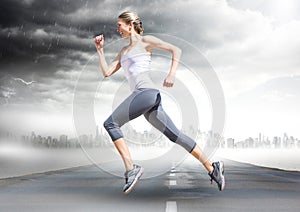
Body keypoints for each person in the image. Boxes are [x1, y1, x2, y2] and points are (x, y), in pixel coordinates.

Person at [94, 11, 225, 194]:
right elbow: (106, 72)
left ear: (130, 25)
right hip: (149, 99)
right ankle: (212, 167)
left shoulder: (146, 41)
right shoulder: (123, 52)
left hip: (146, 93)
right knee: (175, 136)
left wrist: (172, 74)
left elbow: (176, 50)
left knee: (111, 123)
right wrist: (100, 51)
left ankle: (131, 169)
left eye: (120, 25)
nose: (117, 29)